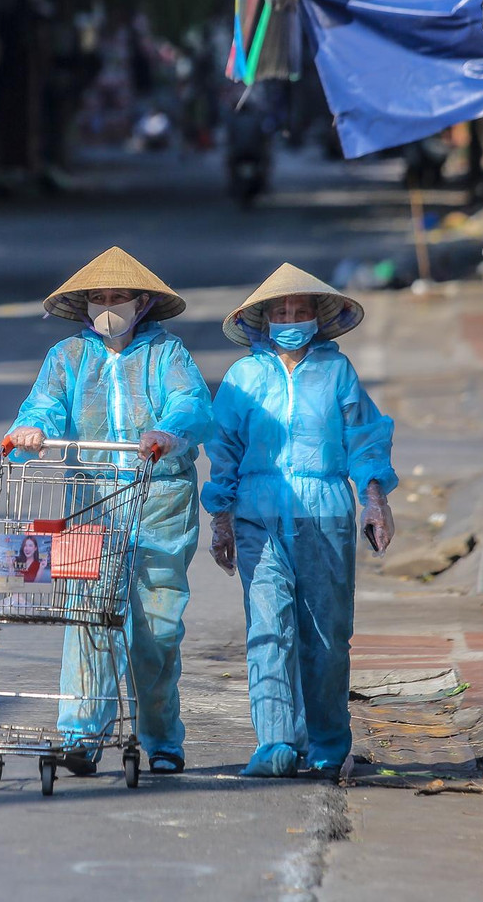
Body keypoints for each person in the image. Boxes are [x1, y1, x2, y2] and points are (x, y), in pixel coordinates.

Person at [5, 246, 215, 775]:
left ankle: (162, 739)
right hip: (87, 502)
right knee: (85, 620)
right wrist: (32, 430)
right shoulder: (67, 357)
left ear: (142, 302)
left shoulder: (168, 355)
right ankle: (81, 735)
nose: (107, 306)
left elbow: (190, 406)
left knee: (155, 629)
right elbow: (43, 407)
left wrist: (168, 433)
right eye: (98, 298)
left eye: (118, 297)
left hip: (159, 502)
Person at [203, 263, 397, 778]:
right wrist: (220, 520)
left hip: (325, 515)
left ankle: (329, 743)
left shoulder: (338, 373)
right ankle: (275, 743)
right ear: (263, 321)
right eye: (281, 311)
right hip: (256, 518)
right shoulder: (244, 377)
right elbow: (223, 452)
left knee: (326, 635)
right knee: (268, 628)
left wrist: (374, 498)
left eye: (300, 310)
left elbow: (366, 439)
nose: (290, 318)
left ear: (317, 317)